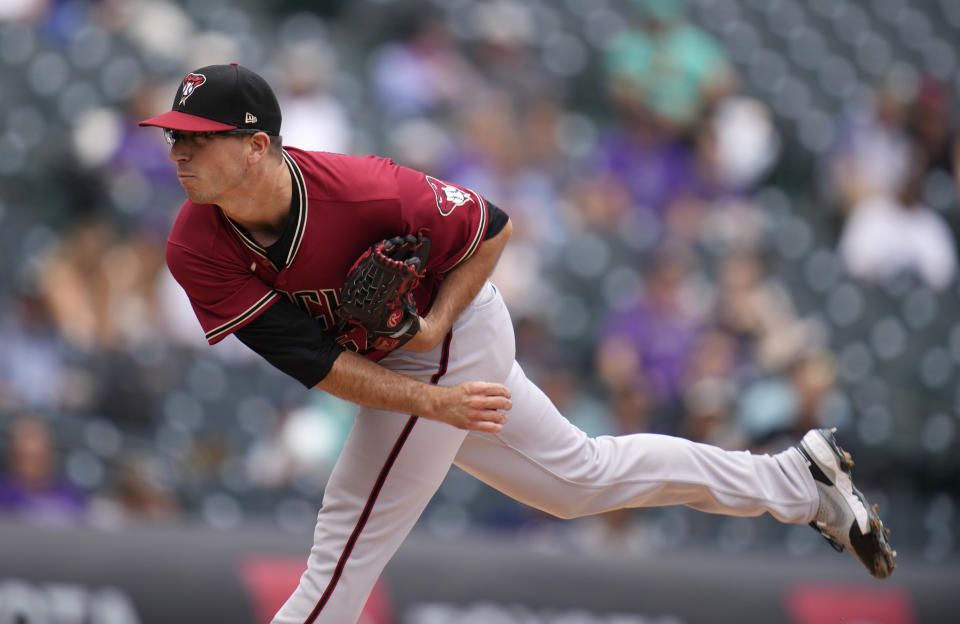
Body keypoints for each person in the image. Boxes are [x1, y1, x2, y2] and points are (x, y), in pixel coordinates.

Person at [139, 64, 895, 623]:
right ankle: (798, 483)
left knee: (341, 555)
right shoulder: (195, 246)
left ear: (257, 147)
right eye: (174, 137)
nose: (177, 151)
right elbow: (317, 363)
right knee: (580, 481)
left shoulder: (365, 190)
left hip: (454, 327)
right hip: (396, 365)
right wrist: (433, 402)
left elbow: (491, 228)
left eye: (197, 140)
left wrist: (435, 336)